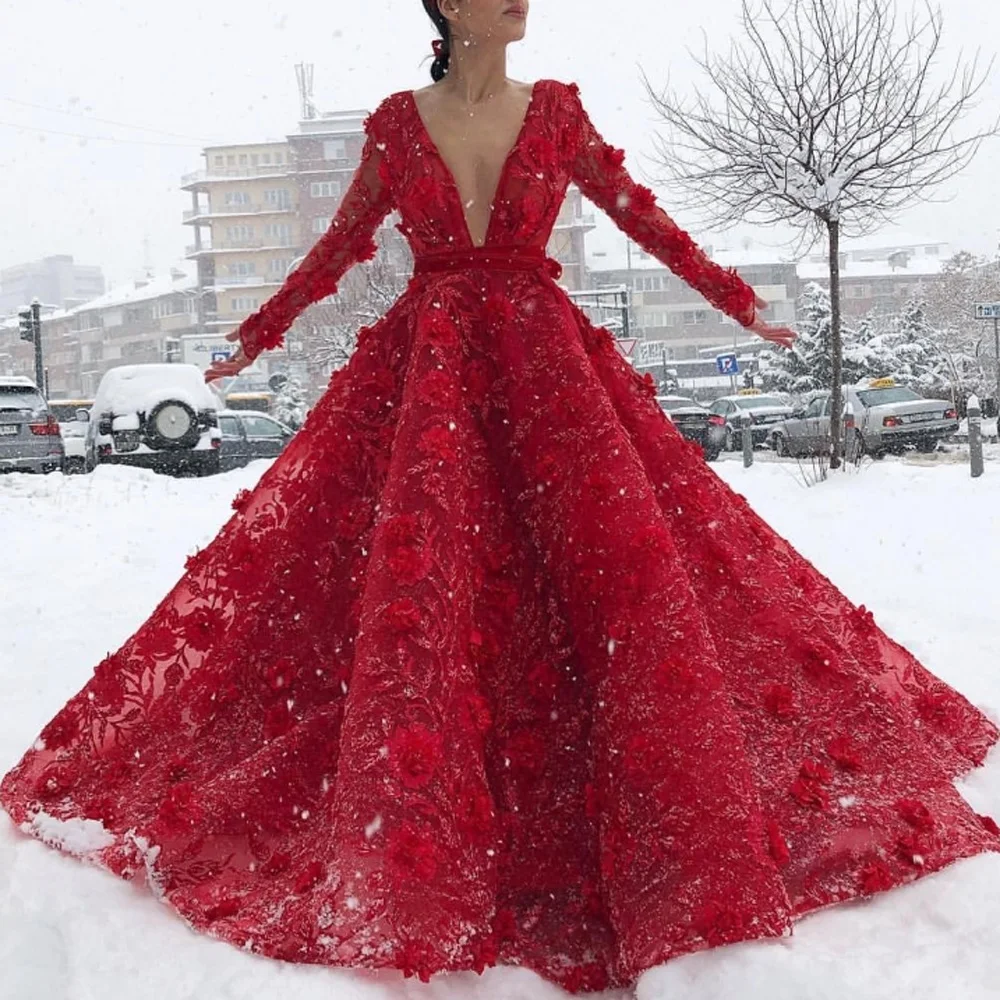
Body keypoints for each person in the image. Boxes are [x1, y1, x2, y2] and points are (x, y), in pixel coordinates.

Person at [2, 0, 997, 994]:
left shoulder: (556, 113)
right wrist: (253, 334)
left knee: (613, 569)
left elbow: (643, 219)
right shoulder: (399, 126)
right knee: (416, 576)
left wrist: (739, 302)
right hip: (429, 374)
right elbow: (340, 246)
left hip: (547, 374)